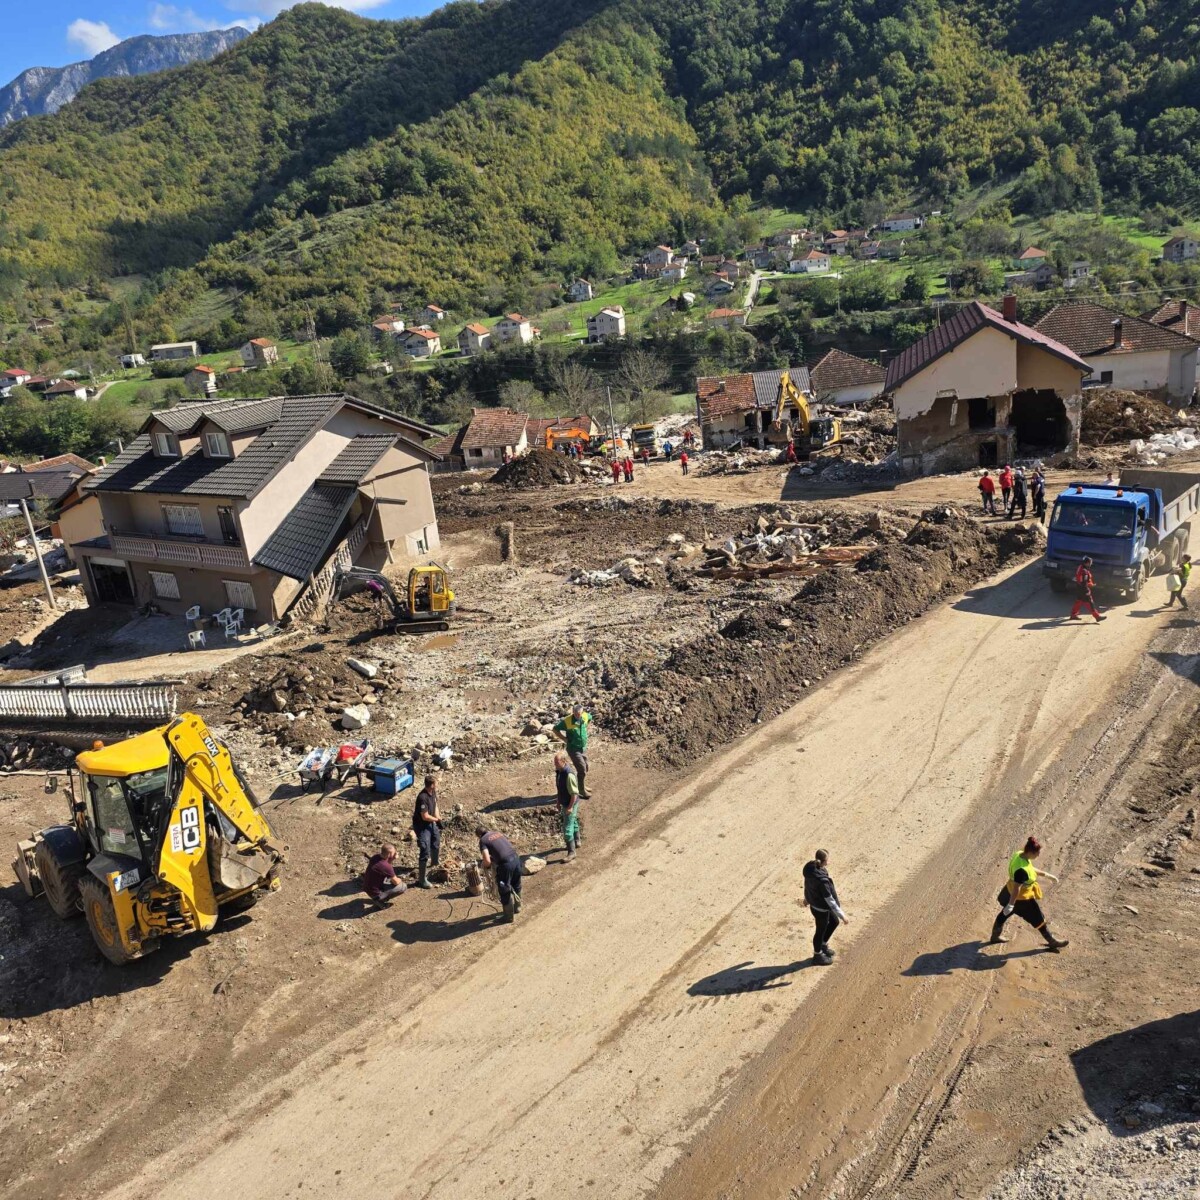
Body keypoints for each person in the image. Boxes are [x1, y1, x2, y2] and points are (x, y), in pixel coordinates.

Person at [989, 836, 1069, 951]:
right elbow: (1017, 888)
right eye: (1037, 853)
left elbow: (1030, 868)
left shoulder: (1019, 854)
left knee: (1005, 913)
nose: (1038, 855)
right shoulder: (1022, 871)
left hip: (1008, 890)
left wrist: (1046, 875)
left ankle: (995, 936)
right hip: (1021, 899)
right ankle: (1052, 941)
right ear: (1031, 852)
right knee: (1038, 918)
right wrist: (1011, 904)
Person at [802, 849, 847, 965]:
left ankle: (823, 945)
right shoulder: (821, 880)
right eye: (827, 860)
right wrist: (842, 915)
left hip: (818, 905)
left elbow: (808, 886)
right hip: (820, 908)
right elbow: (829, 899)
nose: (828, 862)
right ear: (823, 861)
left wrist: (807, 899)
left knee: (834, 922)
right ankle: (817, 955)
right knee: (820, 931)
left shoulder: (811, 869)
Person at [476, 825, 523, 922]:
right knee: (516, 884)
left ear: (479, 835)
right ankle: (518, 907)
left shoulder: (483, 840)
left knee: (504, 889)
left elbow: (487, 860)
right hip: (516, 859)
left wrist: (487, 866)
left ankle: (508, 917)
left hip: (505, 865)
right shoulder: (497, 833)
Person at [554, 703, 591, 797]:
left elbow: (590, 718)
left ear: (582, 712)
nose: (578, 715)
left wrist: (586, 730)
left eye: (579, 714)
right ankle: (581, 791)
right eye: (575, 714)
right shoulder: (568, 721)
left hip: (582, 747)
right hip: (573, 749)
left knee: (586, 767)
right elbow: (555, 729)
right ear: (573, 712)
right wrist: (565, 739)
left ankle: (580, 785)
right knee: (582, 769)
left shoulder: (585, 716)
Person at [412, 775, 441, 888]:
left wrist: (438, 817)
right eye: (436, 783)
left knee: (436, 841)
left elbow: (435, 804)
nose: (437, 784)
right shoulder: (422, 798)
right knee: (425, 849)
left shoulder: (432, 792)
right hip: (422, 826)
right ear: (432, 785)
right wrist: (436, 819)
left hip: (430, 823)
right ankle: (422, 880)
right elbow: (424, 816)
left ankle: (434, 863)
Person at [554, 750, 582, 861]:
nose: (555, 765)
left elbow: (574, 794)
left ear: (564, 761)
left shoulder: (568, 775)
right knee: (573, 821)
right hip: (565, 801)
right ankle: (577, 841)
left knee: (567, 828)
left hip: (571, 803)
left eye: (557, 762)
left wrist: (570, 807)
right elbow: (560, 789)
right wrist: (558, 801)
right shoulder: (560, 772)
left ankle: (571, 852)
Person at [1069, 556, 1106, 622]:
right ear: (1087, 563)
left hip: (1079, 587)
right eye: (1090, 563)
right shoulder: (1084, 571)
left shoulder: (1080, 567)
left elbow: (1079, 579)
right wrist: (1087, 591)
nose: (1091, 564)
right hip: (1083, 589)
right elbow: (1084, 582)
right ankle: (1097, 617)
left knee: (1079, 601)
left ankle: (1073, 615)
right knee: (1090, 603)